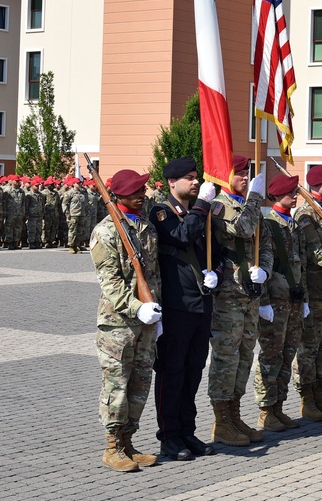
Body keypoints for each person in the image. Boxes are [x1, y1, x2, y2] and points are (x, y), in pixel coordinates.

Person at [150, 157, 223, 461]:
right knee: (172, 371)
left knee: (193, 370)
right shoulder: (161, 211)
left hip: (201, 303)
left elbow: (216, 250)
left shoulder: (200, 213)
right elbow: (181, 236)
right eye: (189, 178)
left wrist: (216, 271)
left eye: (197, 178)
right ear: (172, 182)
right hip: (176, 305)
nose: (195, 183)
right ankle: (169, 436)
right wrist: (203, 204)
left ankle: (187, 431)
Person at [91, 168, 163, 472]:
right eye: (135, 191)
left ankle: (129, 441)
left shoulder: (145, 226)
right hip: (118, 324)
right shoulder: (105, 232)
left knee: (140, 384)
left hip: (145, 322)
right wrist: (136, 307)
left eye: (142, 190)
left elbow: (153, 274)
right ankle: (112, 446)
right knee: (117, 387)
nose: (141, 195)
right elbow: (111, 283)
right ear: (118, 195)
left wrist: (157, 311)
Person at [208, 155, 272, 447]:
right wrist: (256, 197)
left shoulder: (249, 205)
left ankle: (234, 415)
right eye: (240, 173)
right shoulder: (219, 206)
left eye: (248, 172)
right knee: (227, 357)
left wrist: (266, 270)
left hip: (250, 293)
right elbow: (243, 229)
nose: (246, 177)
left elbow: (265, 242)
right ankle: (221, 421)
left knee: (246, 355)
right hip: (229, 295)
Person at [254, 174, 308, 433]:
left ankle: (279, 407)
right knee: (270, 356)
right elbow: (263, 266)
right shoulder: (268, 225)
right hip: (275, 301)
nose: (295, 195)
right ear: (276, 195)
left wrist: (304, 297)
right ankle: (265, 411)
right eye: (290, 192)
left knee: (287, 356)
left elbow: (301, 265)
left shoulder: (293, 224)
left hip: (294, 301)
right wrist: (263, 302)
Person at [293, 164, 322, 421]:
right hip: (314, 289)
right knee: (309, 346)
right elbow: (315, 253)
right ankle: (305, 398)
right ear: (315, 184)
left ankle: (319, 392)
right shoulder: (306, 213)